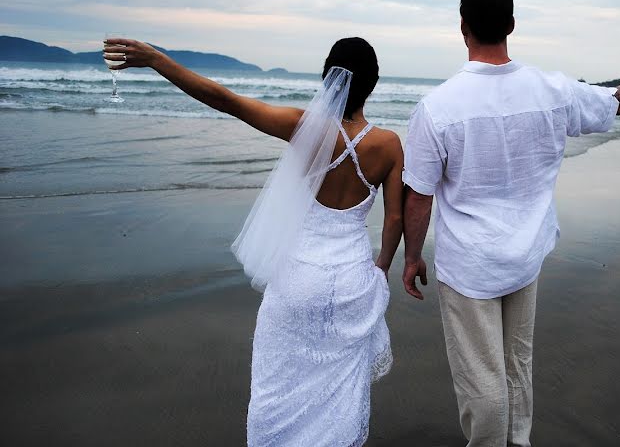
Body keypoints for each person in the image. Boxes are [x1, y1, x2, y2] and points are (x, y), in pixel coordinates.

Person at [401, 0, 620, 447]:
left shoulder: (437, 108)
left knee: (482, 381)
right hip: (526, 256)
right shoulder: (551, 91)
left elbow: (418, 195)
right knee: (517, 363)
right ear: (511, 26)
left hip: (470, 264)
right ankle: (519, 441)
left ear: (462, 28)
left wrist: (412, 255)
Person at [103, 37, 404, 447]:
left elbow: (225, 100)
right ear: (374, 83)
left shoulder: (303, 129)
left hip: (297, 279)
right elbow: (395, 219)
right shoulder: (387, 145)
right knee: (337, 393)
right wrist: (382, 268)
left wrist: (158, 61)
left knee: (278, 388)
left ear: (327, 76)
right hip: (352, 283)